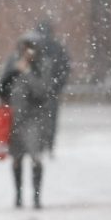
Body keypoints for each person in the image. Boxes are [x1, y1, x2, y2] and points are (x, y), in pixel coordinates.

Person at [0, 31, 52, 209]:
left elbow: (42, 92)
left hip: (34, 119)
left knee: (35, 158)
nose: (28, 52)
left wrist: (27, 73)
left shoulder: (43, 66)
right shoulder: (12, 63)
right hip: (14, 117)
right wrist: (13, 73)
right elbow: (1, 87)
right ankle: (18, 195)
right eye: (25, 47)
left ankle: (36, 196)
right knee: (17, 158)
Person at [34, 19, 71, 155]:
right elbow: (65, 68)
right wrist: (57, 86)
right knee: (50, 119)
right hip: (51, 91)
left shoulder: (35, 48)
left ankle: (40, 145)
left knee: (37, 119)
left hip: (38, 92)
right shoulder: (57, 47)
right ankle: (49, 144)